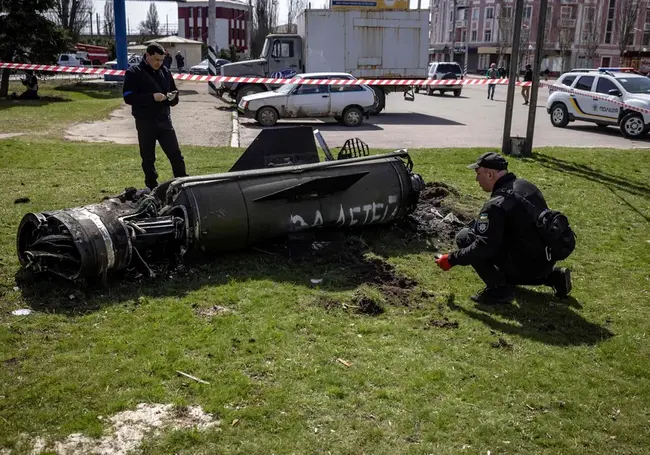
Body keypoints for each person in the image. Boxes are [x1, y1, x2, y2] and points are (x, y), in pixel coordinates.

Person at [434, 152, 572, 304]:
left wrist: (451, 259)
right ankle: (554, 276)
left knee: (465, 236)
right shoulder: (527, 186)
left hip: (526, 267)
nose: (476, 179)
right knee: (489, 235)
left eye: (478, 173)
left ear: (490, 174)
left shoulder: (496, 205)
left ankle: (498, 289)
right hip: (545, 262)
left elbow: (484, 247)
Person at [122, 43, 188, 190]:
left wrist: (173, 97)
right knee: (148, 157)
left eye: (161, 60)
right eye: (156, 60)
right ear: (148, 56)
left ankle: (183, 183)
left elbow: (174, 91)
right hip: (145, 121)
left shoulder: (165, 71)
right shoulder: (134, 72)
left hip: (164, 120)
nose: (159, 63)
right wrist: (152, 97)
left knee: (176, 154)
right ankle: (152, 186)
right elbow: (128, 97)